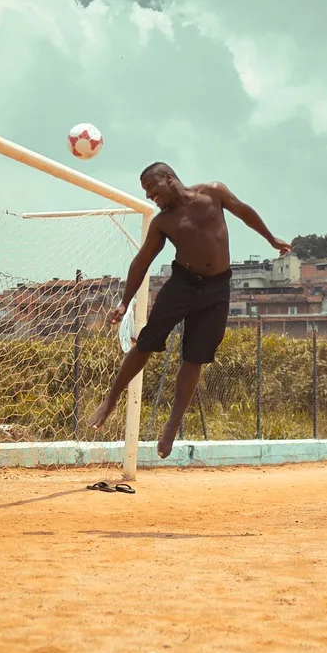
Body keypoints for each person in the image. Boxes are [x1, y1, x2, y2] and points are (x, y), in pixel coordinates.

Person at [88, 162, 291, 458]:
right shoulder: (162, 223)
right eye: (146, 192)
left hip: (217, 290)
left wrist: (270, 238)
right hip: (182, 284)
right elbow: (141, 262)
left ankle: (172, 423)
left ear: (168, 178)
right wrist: (124, 300)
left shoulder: (213, 192)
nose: (149, 196)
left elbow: (244, 211)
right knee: (147, 342)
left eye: (151, 188)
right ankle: (110, 400)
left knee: (194, 356)